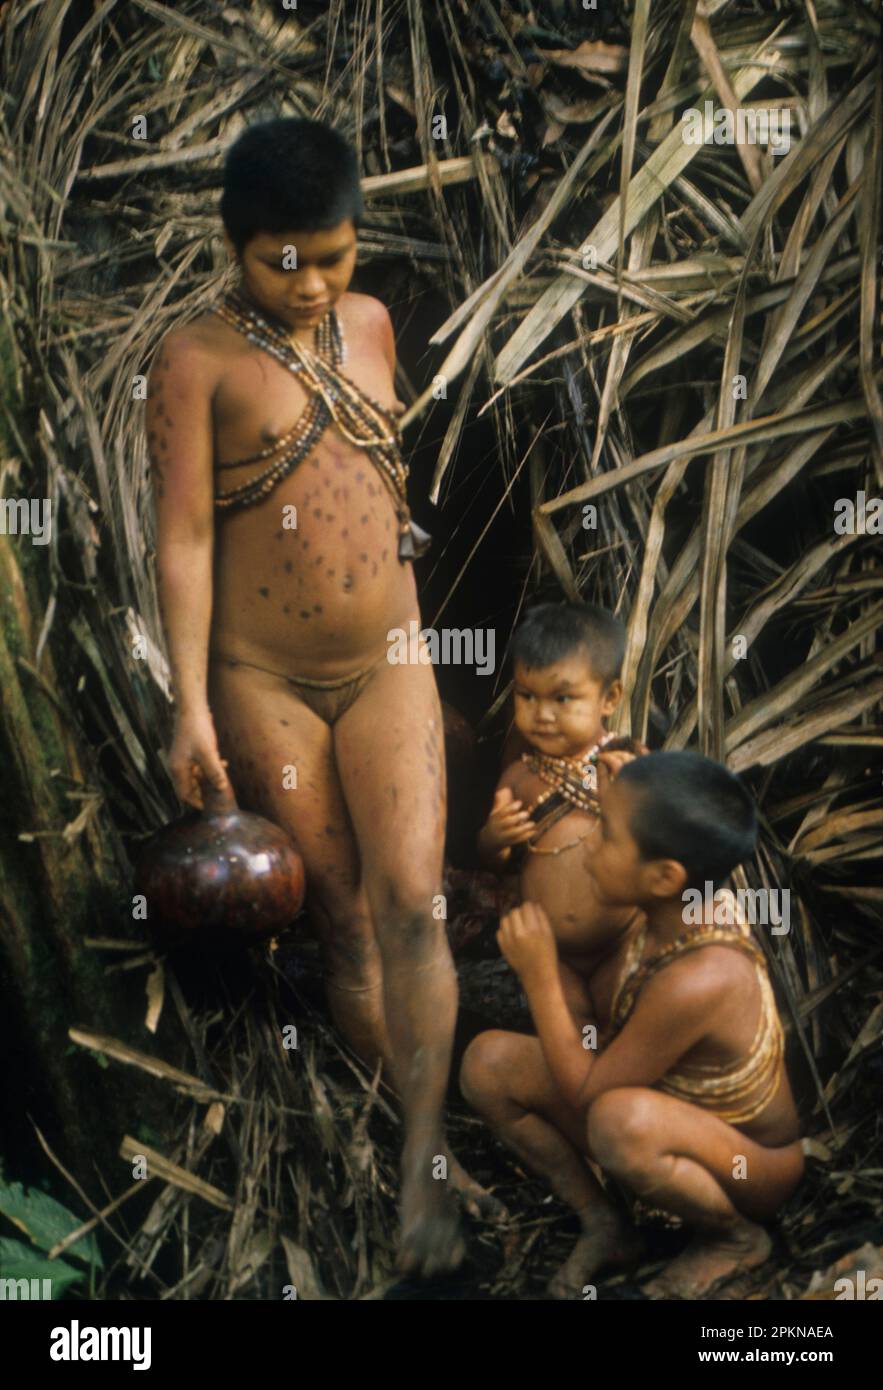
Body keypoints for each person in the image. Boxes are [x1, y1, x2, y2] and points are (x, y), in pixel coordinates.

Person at [146, 115, 479, 1274]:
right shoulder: (196, 363)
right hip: (265, 679)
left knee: (414, 904)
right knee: (341, 920)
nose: (310, 283)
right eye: (281, 259)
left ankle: (425, 1157)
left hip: (389, 657)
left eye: (332, 256)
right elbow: (184, 539)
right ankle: (406, 1132)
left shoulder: (376, 326)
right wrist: (190, 703)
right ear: (234, 245)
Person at [462, 751, 803, 1298]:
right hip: (673, 1120)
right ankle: (607, 1223)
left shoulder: (700, 977)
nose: (589, 844)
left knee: (618, 1121)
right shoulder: (674, 901)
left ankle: (736, 1239)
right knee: (487, 1064)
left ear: (665, 876)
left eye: (608, 835)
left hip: (751, 1170)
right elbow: (661, 827)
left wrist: (541, 975)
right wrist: (636, 791)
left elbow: (588, 1090)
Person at [477, 602, 646, 1023]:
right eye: (526, 695)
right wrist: (495, 839)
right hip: (552, 956)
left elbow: (665, 849)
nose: (542, 714)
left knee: (625, 1016)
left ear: (609, 698)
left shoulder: (628, 762)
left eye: (563, 698)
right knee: (570, 1032)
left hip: (622, 940)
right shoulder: (519, 777)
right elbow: (494, 863)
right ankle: (583, 1083)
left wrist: (628, 804)